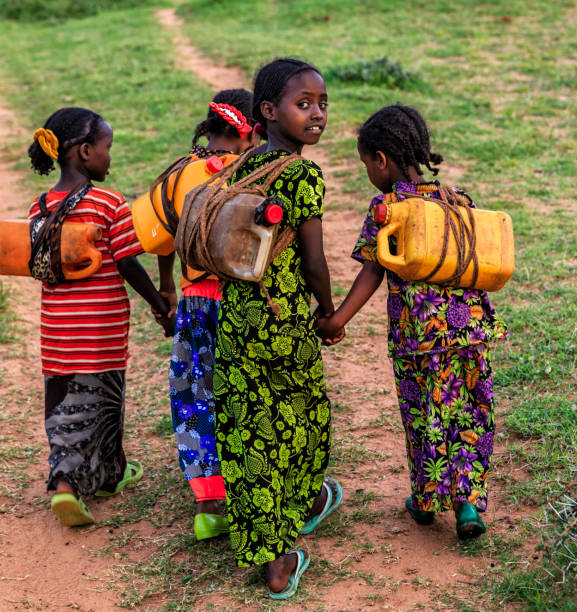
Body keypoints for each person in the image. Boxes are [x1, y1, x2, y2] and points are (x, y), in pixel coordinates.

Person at [317, 105, 508, 539]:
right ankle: (468, 507)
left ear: (381, 160)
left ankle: (425, 502)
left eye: (366, 164)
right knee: (470, 414)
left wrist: (335, 321)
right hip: (470, 334)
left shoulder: (388, 209)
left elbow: (372, 270)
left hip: (418, 339)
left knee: (425, 415)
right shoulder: (457, 199)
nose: (368, 172)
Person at [212, 58, 343, 599]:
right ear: (267, 111)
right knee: (301, 417)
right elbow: (313, 262)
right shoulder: (301, 173)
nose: (317, 114)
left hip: (237, 319)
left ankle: (274, 556)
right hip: (284, 320)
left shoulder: (243, 166)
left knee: (249, 431)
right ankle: (304, 505)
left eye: (322, 104)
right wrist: (329, 313)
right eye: (303, 104)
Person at [27, 107, 174, 526]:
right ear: (86, 151)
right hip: (99, 332)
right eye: (108, 149)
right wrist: (160, 304)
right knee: (104, 404)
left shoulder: (39, 206)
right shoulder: (108, 203)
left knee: (64, 408)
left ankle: (84, 474)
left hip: (58, 333)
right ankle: (70, 485)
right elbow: (128, 263)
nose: (111, 158)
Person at [154, 89, 259, 540]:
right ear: (248, 130)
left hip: (195, 300)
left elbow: (162, 237)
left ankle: (209, 504)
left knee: (196, 396)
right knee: (244, 393)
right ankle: (252, 489)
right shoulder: (252, 170)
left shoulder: (180, 173)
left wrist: (165, 287)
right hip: (238, 300)